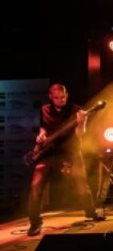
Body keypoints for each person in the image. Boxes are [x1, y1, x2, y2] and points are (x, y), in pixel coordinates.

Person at [26, 84, 104, 237]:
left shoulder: (76, 110)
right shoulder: (44, 110)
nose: (60, 100)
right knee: (36, 184)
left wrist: (82, 122)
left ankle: (91, 212)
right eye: (56, 98)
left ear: (67, 95)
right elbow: (43, 128)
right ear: (50, 97)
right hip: (48, 153)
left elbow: (80, 134)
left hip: (70, 152)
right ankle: (35, 223)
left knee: (81, 183)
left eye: (63, 97)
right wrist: (41, 135)